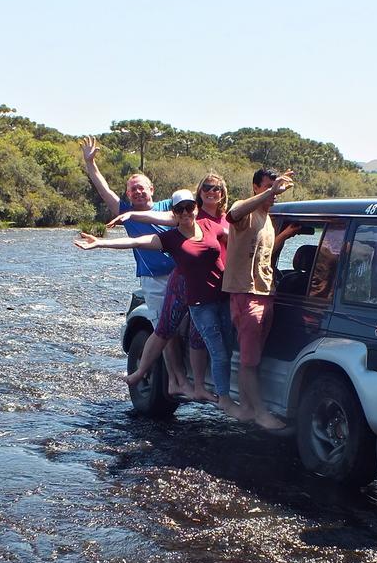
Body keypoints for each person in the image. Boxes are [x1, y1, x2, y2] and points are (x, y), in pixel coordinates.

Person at [74, 190, 250, 421]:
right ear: (174, 214)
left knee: (216, 345)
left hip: (221, 297)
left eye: (189, 207)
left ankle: (200, 387)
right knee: (199, 343)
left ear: (196, 208)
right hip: (198, 301)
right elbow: (136, 241)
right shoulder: (171, 238)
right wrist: (100, 243)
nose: (186, 212)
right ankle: (223, 399)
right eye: (180, 210)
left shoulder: (210, 226)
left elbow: (237, 239)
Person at [109, 173, 231, 403]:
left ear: (223, 193)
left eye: (216, 188)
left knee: (196, 334)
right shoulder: (185, 217)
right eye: (206, 187)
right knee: (167, 329)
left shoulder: (224, 219)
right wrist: (119, 224)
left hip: (215, 285)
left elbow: (243, 240)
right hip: (182, 281)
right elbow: (142, 235)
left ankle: (196, 385)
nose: (211, 191)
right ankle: (147, 374)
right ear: (198, 195)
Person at [80, 136, 187, 393]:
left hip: (182, 274)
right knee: (167, 329)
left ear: (152, 189)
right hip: (154, 280)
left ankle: (191, 376)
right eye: (133, 190)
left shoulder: (169, 207)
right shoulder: (125, 213)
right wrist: (90, 163)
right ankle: (175, 379)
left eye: (142, 188)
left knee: (190, 325)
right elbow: (103, 189)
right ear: (128, 195)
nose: (138, 192)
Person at [222, 168, 295, 430]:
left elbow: (263, 253)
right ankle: (259, 413)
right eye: (267, 187)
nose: (274, 193)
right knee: (249, 360)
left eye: (276, 188)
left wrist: (285, 235)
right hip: (246, 294)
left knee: (253, 358)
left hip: (266, 293)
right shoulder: (246, 212)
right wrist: (271, 191)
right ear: (255, 187)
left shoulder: (266, 218)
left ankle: (247, 409)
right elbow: (232, 213)